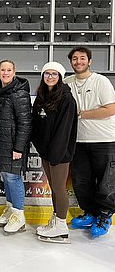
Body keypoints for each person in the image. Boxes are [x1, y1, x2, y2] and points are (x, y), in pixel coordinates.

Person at [64, 46, 115, 238]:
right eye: (75, 59)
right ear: (71, 62)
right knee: (81, 181)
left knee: (106, 181)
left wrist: (81, 114)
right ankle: (90, 212)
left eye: (82, 58)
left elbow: (110, 109)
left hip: (104, 139)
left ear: (90, 61)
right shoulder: (67, 82)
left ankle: (104, 215)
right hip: (78, 141)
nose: (78, 62)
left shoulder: (101, 81)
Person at [31, 62, 77, 243]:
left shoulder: (66, 99)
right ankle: (56, 219)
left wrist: (56, 154)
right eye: (47, 74)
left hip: (59, 154)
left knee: (59, 188)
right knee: (53, 189)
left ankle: (61, 226)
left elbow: (64, 130)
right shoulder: (42, 96)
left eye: (54, 74)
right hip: (46, 152)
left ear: (60, 77)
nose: (50, 77)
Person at [0, 59, 32, 234]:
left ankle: (19, 216)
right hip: (1, 142)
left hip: (13, 144)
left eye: (9, 70)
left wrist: (18, 148)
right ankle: (11, 208)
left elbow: (25, 123)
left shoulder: (19, 93)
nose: (5, 73)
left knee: (13, 178)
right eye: (2, 70)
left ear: (14, 72)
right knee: (6, 176)